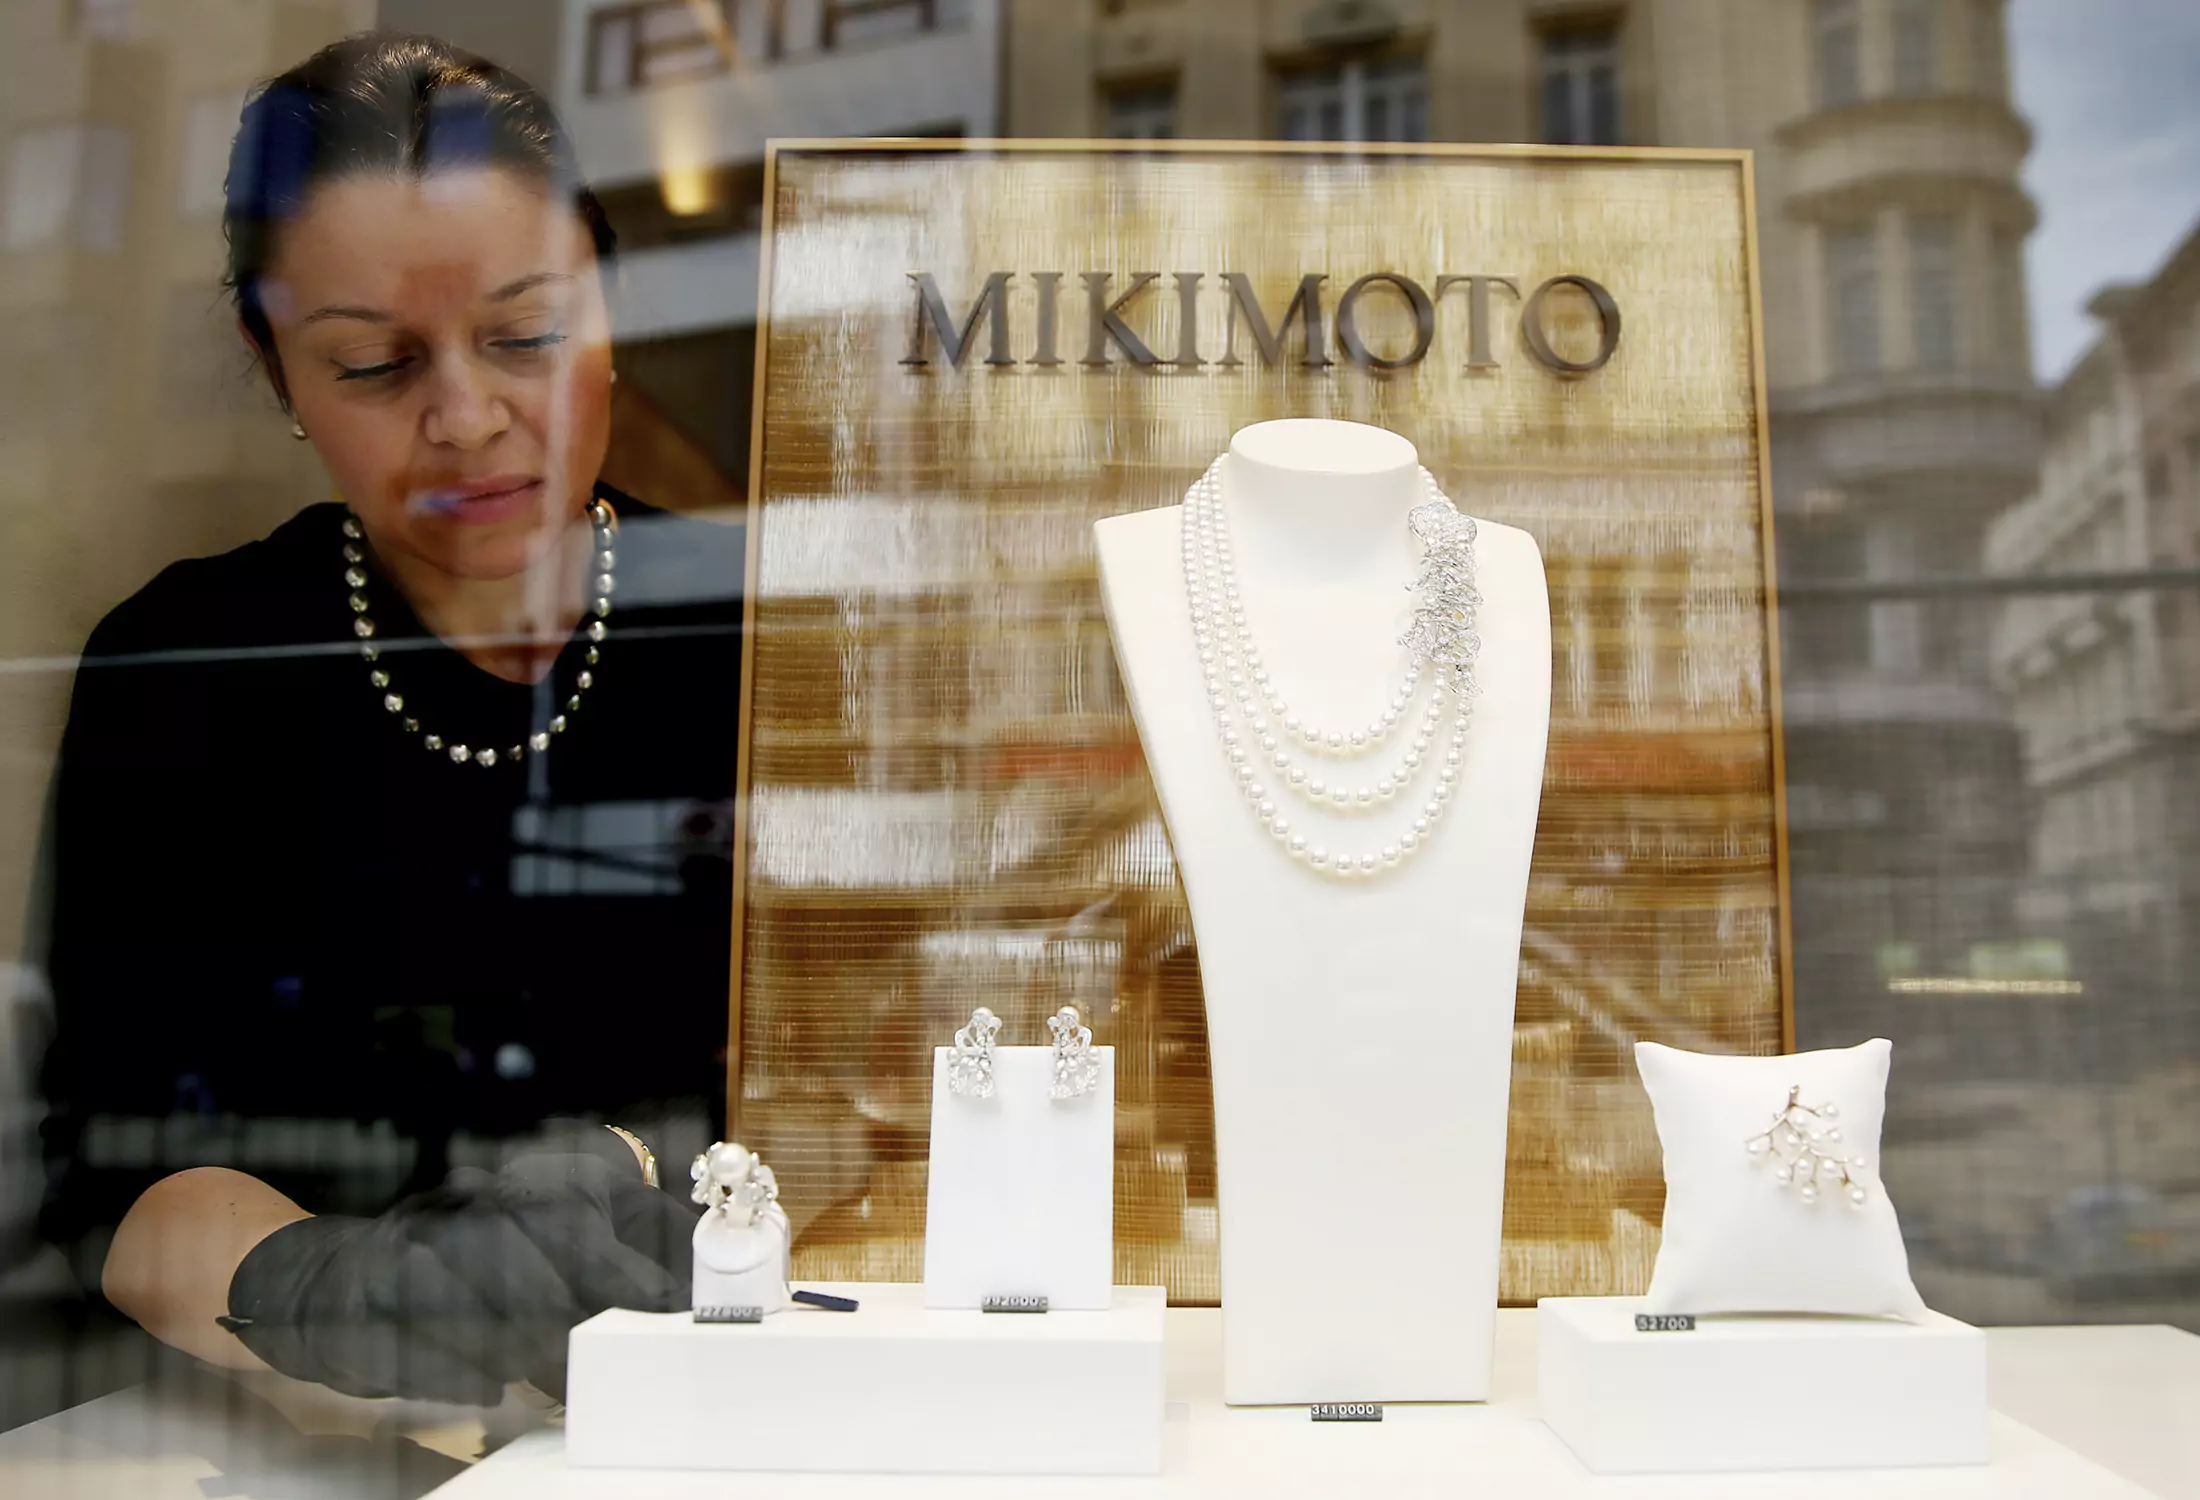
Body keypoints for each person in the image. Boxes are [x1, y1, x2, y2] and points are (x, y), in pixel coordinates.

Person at [35, 33, 746, 1405]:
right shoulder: (192, 665)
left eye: (526, 336)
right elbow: (108, 1173)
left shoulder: (756, 635)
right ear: (278, 370)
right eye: (373, 363)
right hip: (325, 1438)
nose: (467, 418)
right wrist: (321, 1286)